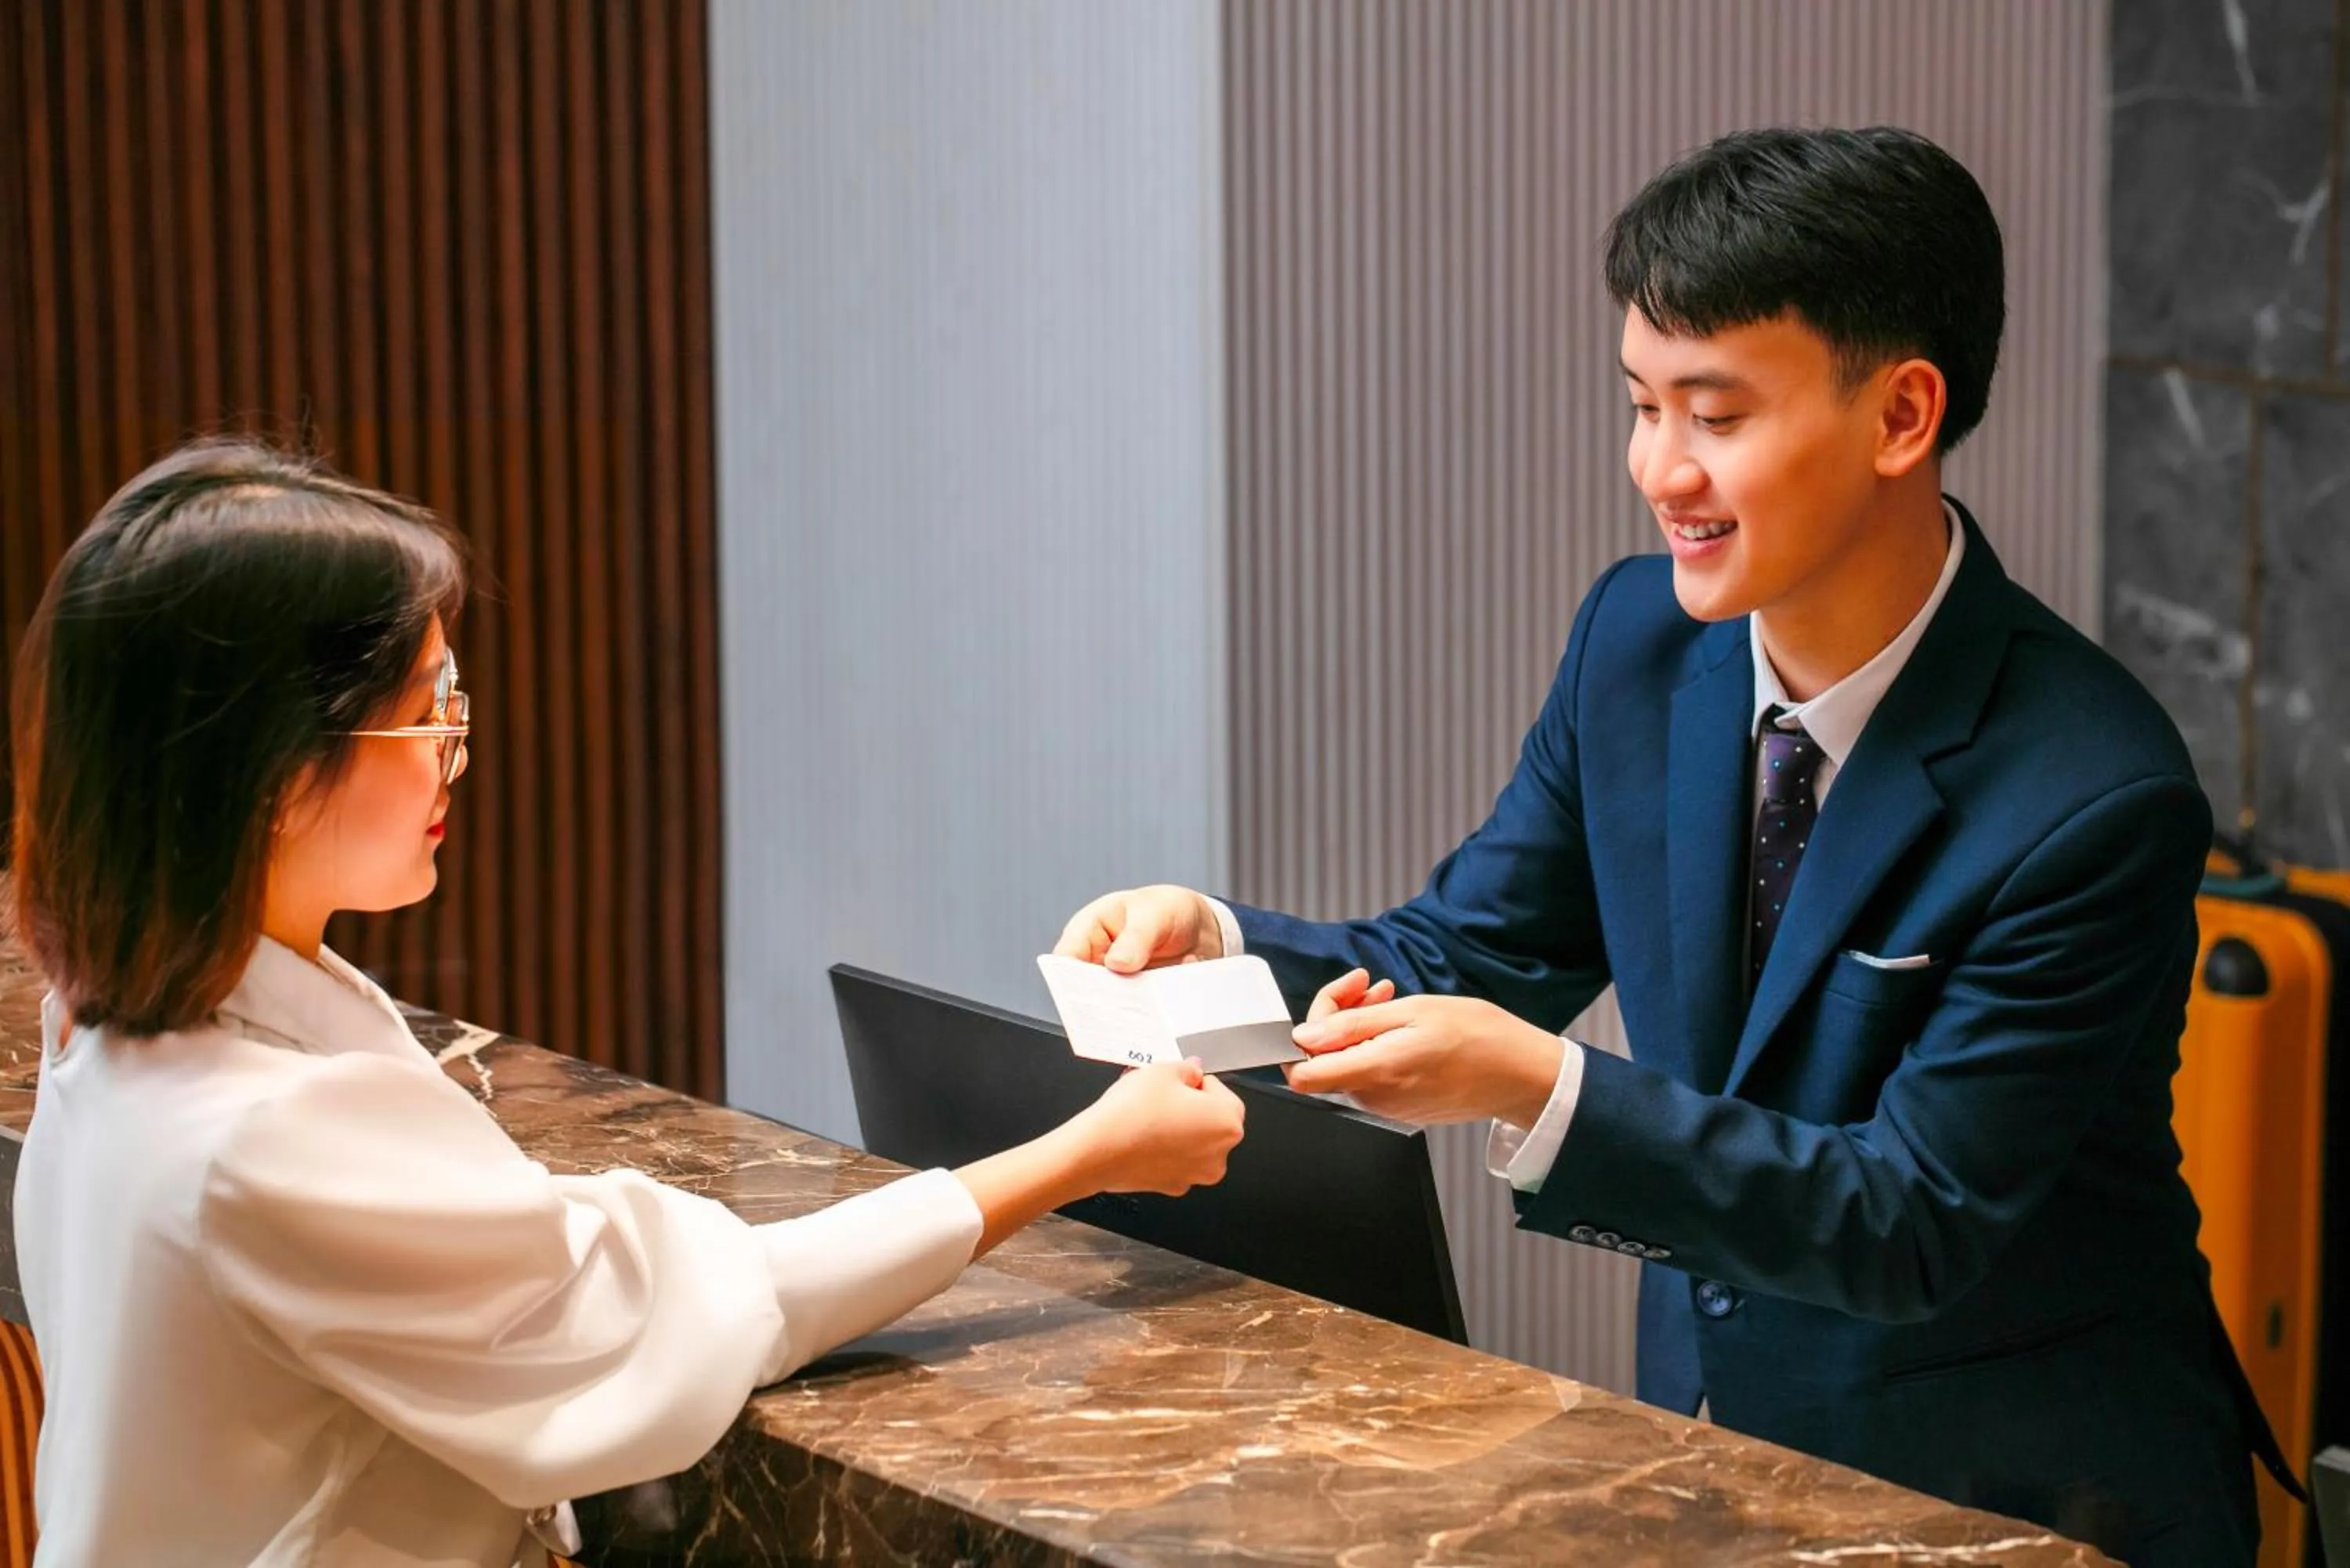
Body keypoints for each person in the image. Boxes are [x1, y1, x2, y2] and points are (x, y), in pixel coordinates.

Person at [1056, 126, 2293, 1565]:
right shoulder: (1635, 645)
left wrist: (1540, 1081)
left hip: (2020, 1500)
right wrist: (1210, 946)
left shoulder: (2096, 790)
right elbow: (1464, 954)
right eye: (1641, 404)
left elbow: (1909, 1215)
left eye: (1713, 414)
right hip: (1714, 1451)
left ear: (1902, 416)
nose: (1659, 468)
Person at [6, 439, 1248, 1567]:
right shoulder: (264, 1134)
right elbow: (675, 1319)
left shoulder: (114, 1021)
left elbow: (528, 1256)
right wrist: (1086, 1153)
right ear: (276, 770)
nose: (458, 749)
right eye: (430, 708)